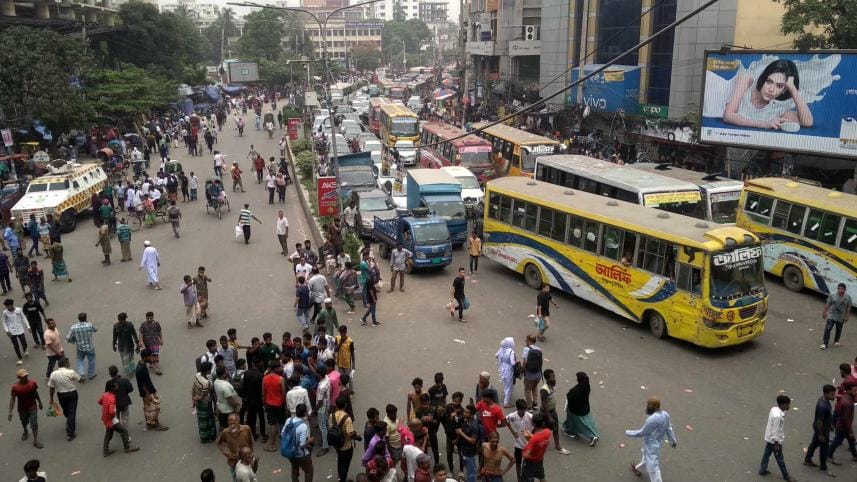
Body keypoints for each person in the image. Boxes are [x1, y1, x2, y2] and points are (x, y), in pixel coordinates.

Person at [723, 59, 813, 130]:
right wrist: (764, 124)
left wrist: (792, 88)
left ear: (784, 89)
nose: (771, 89)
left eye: (779, 86)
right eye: (769, 81)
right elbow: (728, 116)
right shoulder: (746, 80)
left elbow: (807, 122)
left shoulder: (774, 109)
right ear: (764, 78)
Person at [758, 394, 795, 481]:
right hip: (775, 441)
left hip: (769, 438)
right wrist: (777, 443)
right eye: (787, 404)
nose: (789, 406)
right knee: (780, 459)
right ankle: (786, 476)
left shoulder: (774, 409)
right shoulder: (778, 416)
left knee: (766, 454)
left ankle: (762, 469)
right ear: (782, 405)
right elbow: (775, 431)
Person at [99, 379, 140, 456]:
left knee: (108, 434)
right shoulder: (112, 398)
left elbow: (100, 401)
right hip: (112, 420)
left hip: (106, 419)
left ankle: (105, 450)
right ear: (112, 388)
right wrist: (113, 417)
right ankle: (127, 447)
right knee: (124, 431)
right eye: (115, 386)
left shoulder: (105, 395)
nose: (117, 386)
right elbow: (111, 411)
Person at [804, 384, 836, 477]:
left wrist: (829, 424)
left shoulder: (824, 400)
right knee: (824, 448)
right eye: (832, 395)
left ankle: (808, 459)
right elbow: (819, 421)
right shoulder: (822, 406)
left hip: (822, 428)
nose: (833, 396)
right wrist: (821, 434)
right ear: (825, 394)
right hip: (822, 429)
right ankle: (823, 466)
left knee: (814, 443)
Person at [9, 368, 44, 448]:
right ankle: (25, 430)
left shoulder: (32, 383)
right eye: (24, 376)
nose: (26, 377)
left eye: (26, 375)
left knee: (34, 423)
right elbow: (13, 399)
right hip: (22, 408)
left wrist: (40, 402)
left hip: (32, 406)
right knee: (24, 421)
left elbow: (35, 393)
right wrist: (10, 411)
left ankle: (35, 440)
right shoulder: (15, 387)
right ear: (19, 378)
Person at [47, 356, 80, 441]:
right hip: (72, 394)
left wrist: (51, 398)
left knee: (66, 410)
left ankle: (69, 422)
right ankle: (70, 433)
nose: (69, 364)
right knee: (72, 412)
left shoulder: (53, 374)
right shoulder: (71, 372)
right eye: (68, 363)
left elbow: (51, 387)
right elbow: (80, 379)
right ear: (65, 364)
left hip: (61, 395)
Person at [562, 371, 599, 446]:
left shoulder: (576, 390)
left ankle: (591, 436)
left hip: (575, 410)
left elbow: (570, 396)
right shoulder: (586, 386)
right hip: (585, 408)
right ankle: (594, 433)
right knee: (588, 422)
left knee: (579, 423)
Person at [135, 349, 168, 431]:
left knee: (148, 409)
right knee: (155, 408)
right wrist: (148, 394)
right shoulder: (140, 369)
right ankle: (156, 424)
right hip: (147, 392)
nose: (151, 358)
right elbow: (143, 384)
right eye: (149, 356)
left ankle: (149, 424)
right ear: (145, 357)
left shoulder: (142, 365)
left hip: (148, 391)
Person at [539, 369, 569, 455]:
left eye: (554, 376)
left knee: (555, 429)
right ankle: (536, 444)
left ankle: (557, 447)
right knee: (542, 430)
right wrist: (549, 417)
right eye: (552, 377)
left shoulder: (551, 386)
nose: (554, 379)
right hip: (546, 414)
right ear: (547, 379)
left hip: (553, 412)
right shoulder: (544, 390)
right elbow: (544, 404)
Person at [216, 413, 253, 480]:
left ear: (238, 421)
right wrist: (226, 452)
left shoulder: (246, 429)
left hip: (246, 461)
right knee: (236, 478)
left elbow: (251, 442)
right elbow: (218, 442)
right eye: (230, 424)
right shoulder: (225, 432)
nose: (232, 426)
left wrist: (251, 454)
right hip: (234, 462)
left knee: (248, 477)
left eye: (234, 423)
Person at [828, 382, 857, 466]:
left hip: (843, 425)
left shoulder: (848, 397)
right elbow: (846, 419)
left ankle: (855, 455)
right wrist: (850, 431)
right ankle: (829, 455)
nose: (856, 392)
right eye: (855, 391)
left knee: (851, 440)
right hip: (844, 427)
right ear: (848, 390)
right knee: (837, 441)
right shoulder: (847, 403)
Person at [506, 399, 534, 482]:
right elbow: (505, 420)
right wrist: (513, 431)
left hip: (529, 444)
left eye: (524, 409)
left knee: (529, 463)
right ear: (518, 409)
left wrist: (532, 434)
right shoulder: (512, 416)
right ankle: (519, 479)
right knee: (518, 463)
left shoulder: (530, 416)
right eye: (522, 410)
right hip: (518, 444)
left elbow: (537, 425)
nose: (523, 411)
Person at [286, 403, 314, 482]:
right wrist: (309, 440)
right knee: (308, 471)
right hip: (301, 454)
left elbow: (282, 433)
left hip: (290, 452)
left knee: (294, 469)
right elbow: (302, 444)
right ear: (305, 413)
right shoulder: (303, 426)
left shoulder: (289, 420)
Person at [262, 360, 287, 452]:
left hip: (269, 404)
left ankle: (272, 445)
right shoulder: (281, 379)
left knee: (273, 424)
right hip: (280, 404)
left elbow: (263, 394)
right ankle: (286, 443)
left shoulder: (265, 378)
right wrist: (285, 406)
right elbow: (283, 394)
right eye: (280, 367)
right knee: (282, 423)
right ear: (275, 368)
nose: (281, 368)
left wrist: (264, 405)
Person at [66, 312, 97, 381]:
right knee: (91, 359)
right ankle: (91, 374)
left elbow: (68, 338)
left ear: (78, 319)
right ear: (85, 318)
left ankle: (81, 374)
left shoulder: (73, 327)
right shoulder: (89, 325)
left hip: (80, 348)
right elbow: (95, 329)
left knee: (79, 360)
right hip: (89, 347)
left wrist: (73, 340)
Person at [521, 413, 551, 482]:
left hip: (530, 462)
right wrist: (532, 436)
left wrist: (524, 449)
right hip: (540, 459)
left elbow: (526, 455)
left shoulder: (533, 439)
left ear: (533, 424)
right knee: (542, 477)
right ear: (542, 423)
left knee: (529, 478)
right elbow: (540, 439)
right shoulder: (548, 432)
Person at [821, 283, 851, 349]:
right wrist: (824, 312)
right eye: (839, 288)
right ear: (837, 289)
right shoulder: (833, 295)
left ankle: (836, 341)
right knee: (828, 328)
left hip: (841, 316)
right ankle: (824, 343)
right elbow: (827, 304)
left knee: (839, 329)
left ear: (845, 290)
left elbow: (848, 307)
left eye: (842, 289)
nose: (840, 290)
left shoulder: (848, 297)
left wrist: (847, 316)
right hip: (832, 315)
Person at [193, 361, 217, 442]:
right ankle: (208, 436)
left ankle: (203, 436)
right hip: (205, 402)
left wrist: (194, 399)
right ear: (207, 371)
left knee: (201, 419)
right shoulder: (205, 383)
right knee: (207, 419)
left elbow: (194, 386)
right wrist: (198, 398)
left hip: (199, 403)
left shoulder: (197, 375)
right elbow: (203, 395)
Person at [456, 405, 481, 482]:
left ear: (471, 414)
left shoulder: (474, 425)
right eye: (464, 412)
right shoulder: (466, 420)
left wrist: (461, 433)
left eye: (466, 413)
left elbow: (473, 441)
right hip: (464, 449)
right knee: (468, 468)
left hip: (470, 451)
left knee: (471, 472)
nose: (464, 413)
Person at [112, 312, 140, 376]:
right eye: (120, 320)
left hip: (130, 345)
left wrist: (137, 344)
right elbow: (114, 337)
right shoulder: (115, 326)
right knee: (124, 360)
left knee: (131, 358)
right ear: (118, 319)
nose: (122, 322)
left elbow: (134, 334)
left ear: (125, 319)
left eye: (123, 320)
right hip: (121, 346)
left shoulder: (130, 325)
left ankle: (132, 370)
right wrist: (113, 345)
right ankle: (128, 372)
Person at [4, 298, 29, 365]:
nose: (7, 307)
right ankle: (20, 358)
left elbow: (23, 318)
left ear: (12, 305)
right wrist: (7, 330)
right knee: (15, 345)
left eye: (8, 306)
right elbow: (4, 321)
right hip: (12, 331)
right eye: (6, 306)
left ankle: (25, 349)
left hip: (20, 329)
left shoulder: (19, 310)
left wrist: (28, 327)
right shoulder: (5, 313)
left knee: (24, 342)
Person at [521, 335, 542, 410]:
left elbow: (525, 362)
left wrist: (522, 370)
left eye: (526, 340)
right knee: (534, 387)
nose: (525, 341)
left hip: (530, 374)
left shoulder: (526, 349)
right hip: (538, 374)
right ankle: (535, 404)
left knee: (527, 389)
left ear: (529, 341)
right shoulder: (539, 350)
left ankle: (529, 407)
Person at [495, 337, 517, 408]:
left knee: (505, 382)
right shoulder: (511, 351)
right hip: (509, 369)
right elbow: (513, 363)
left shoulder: (502, 348)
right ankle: (506, 402)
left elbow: (496, 355)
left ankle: (505, 393)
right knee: (509, 385)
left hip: (502, 368)